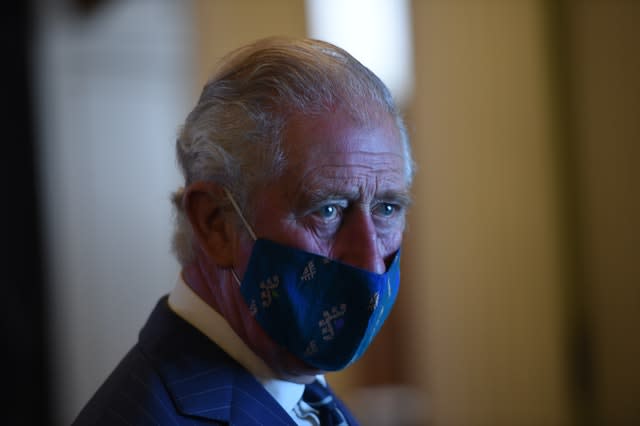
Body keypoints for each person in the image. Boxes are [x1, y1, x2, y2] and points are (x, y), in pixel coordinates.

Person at [73, 36, 414, 425]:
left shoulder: (303, 393)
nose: (370, 262)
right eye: (328, 209)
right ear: (216, 223)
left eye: (387, 208)